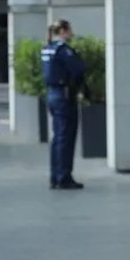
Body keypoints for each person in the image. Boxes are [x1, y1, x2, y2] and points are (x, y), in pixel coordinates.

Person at [40, 20, 88, 190]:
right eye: (70, 30)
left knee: (58, 137)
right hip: (64, 95)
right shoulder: (63, 50)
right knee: (66, 137)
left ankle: (55, 176)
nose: (71, 34)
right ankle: (64, 177)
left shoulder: (47, 48)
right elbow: (79, 68)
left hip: (53, 94)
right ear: (64, 31)